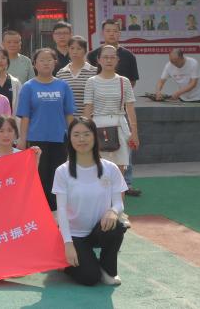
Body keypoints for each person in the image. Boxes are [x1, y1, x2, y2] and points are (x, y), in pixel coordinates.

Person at [53, 117, 128, 286]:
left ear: (95, 136)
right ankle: (63, 261)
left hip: (99, 230)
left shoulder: (110, 168)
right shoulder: (62, 171)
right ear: (70, 139)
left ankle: (109, 270)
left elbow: (119, 203)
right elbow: (61, 210)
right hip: (74, 235)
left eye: (86, 134)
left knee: (117, 226)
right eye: (76, 135)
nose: (82, 139)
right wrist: (68, 244)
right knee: (90, 277)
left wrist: (113, 211)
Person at [16, 48, 76, 210]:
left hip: (59, 138)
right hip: (36, 139)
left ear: (55, 63)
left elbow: (69, 115)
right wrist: (22, 139)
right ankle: (40, 209)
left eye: (49, 60)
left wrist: (73, 137)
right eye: (41, 60)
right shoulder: (28, 87)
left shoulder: (63, 86)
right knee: (39, 176)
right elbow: (25, 116)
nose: (46, 63)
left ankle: (57, 210)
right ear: (35, 64)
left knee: (58, 175)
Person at [86, 19, 140, 196]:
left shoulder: (124, 82)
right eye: (105, 57)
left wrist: (134, 133)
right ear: (98, 60)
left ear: (118, 60)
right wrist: (85, 130)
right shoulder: (91, 82)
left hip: (119, 124)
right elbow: (88, 109)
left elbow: (130, 108)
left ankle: (118, 207)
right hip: (97, 124)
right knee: (98, 170)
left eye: (112, 58)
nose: (109, 60)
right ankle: (100, 206)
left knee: (119, 172)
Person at [57, 36, 99, 107]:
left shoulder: (95, 72)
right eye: (72, 48)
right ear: (68, 50)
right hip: (67, 114)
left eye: (79, 49)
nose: (75, 52)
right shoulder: (61, 73)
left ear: (85, 51)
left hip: (89, 113)